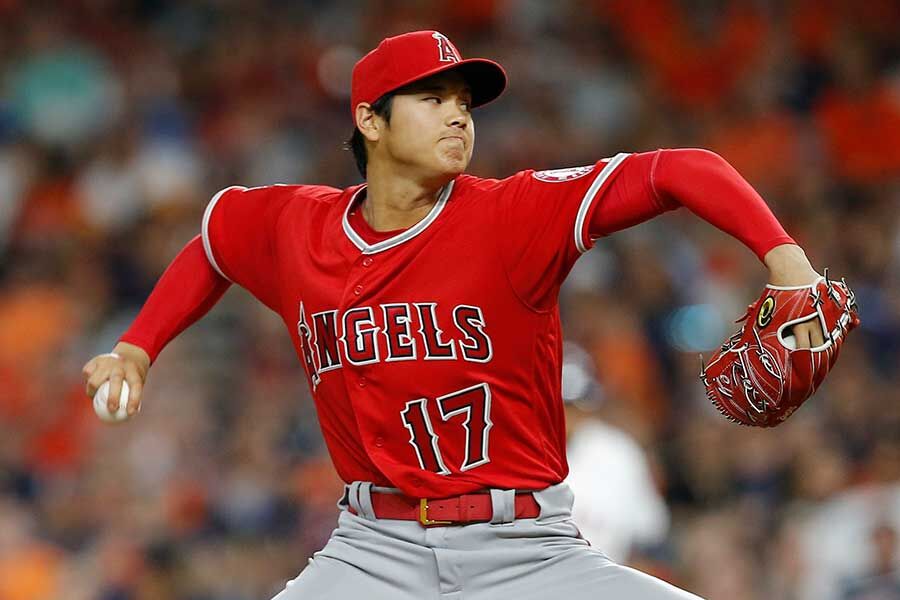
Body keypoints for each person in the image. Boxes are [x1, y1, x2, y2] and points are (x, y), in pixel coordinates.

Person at [82, 30, 827, 599]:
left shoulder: (512, 215)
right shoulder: (298, 229)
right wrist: (138, 348)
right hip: (372, 550)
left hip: (528, 551)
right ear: (370, 121)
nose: (458, 117)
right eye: (433, 99)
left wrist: (787, 261)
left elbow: (679, 169)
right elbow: (213, 244)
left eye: (464, 104)